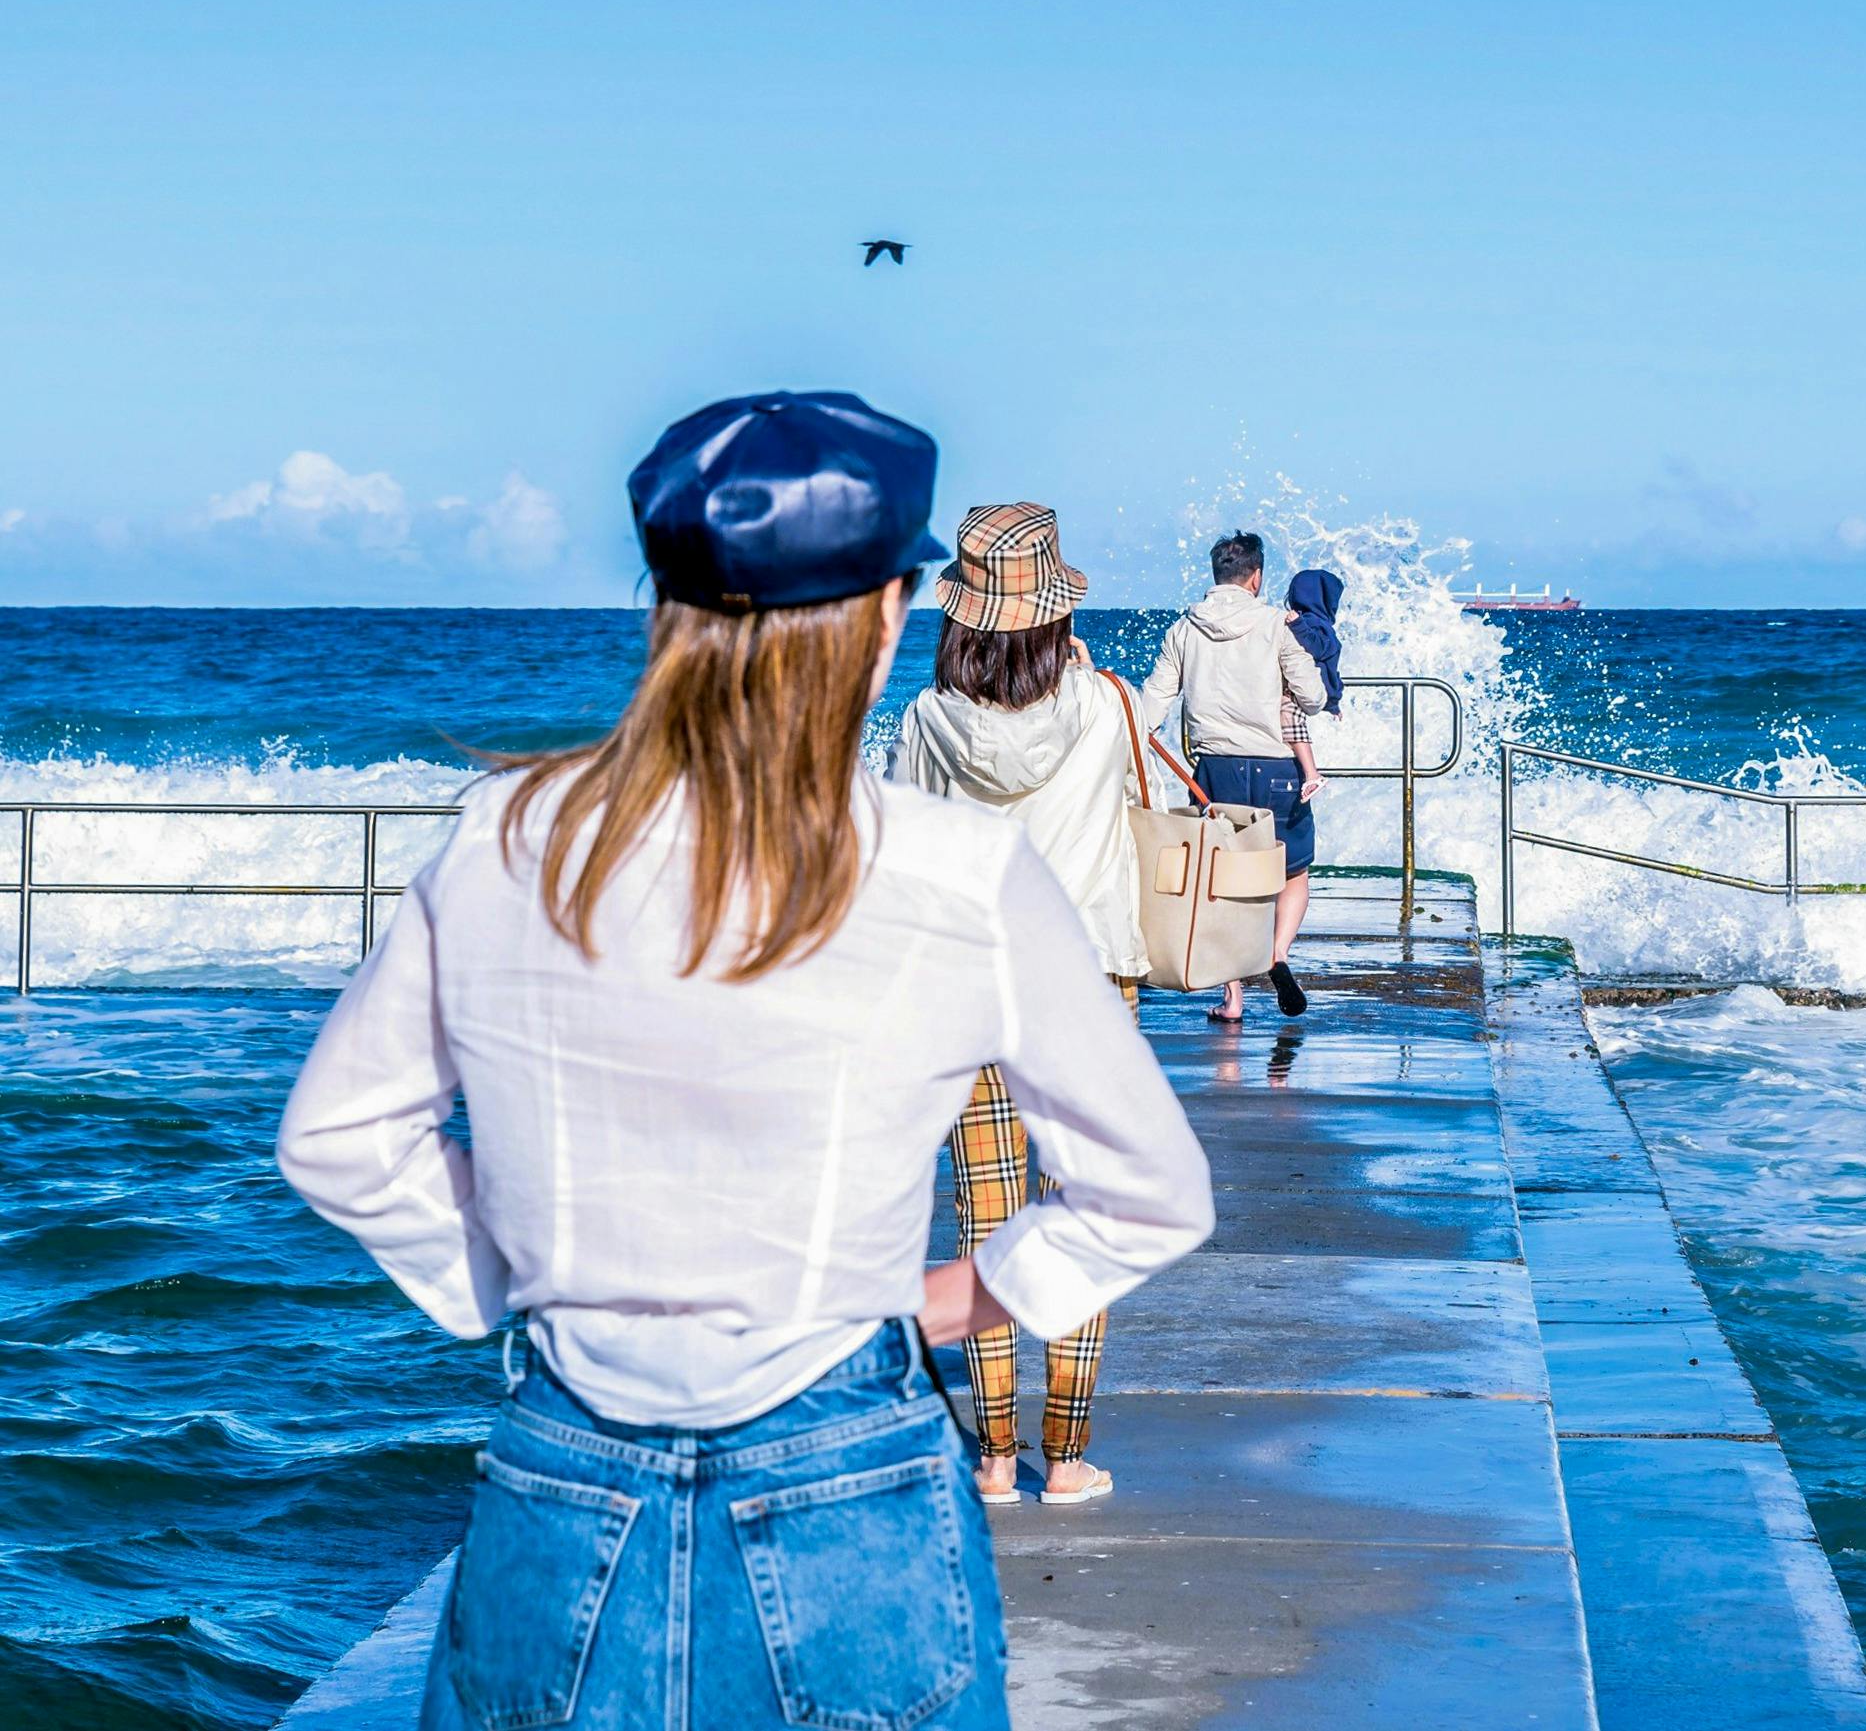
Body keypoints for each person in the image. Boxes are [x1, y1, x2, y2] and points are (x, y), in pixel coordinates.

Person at [277, 393, 1213, 1731]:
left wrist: (511, 1272)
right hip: (850, 1466)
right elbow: (1148, 1190)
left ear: (662, 601)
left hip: (560, 1467)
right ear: (891, 614)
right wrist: (948, 1301)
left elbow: (339, 1139)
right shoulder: (955, 875)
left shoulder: (500, 836)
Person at [893, 501, 1145, 1508]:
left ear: (961, 620)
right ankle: (1066, 1454)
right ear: (1051, 613)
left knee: (986, 1216)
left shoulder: (924, 719)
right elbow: (1138, 808)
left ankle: (994, 1454)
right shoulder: (1105, 701)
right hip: (1087, 980)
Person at [1142, 531, 1327, 1024]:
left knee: (1223, 880)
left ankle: (1233, 998)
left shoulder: (1183, 630)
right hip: (1277, 769)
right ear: (1256, 577)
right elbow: (1312, 698)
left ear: (1216, 575)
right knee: (1292, 871)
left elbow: (1151, 707)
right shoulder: (1275, 625)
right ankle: (1278, 954)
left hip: (1213, 769)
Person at [1280, 567, 1345, 803]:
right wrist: (1334, 703)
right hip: (1323, 690)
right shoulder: (1320, 621)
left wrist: (1298, 626)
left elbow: (1318, 647)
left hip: (1311, 690)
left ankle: (1312, 774)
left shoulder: (1313, 624)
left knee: (1289, 715)